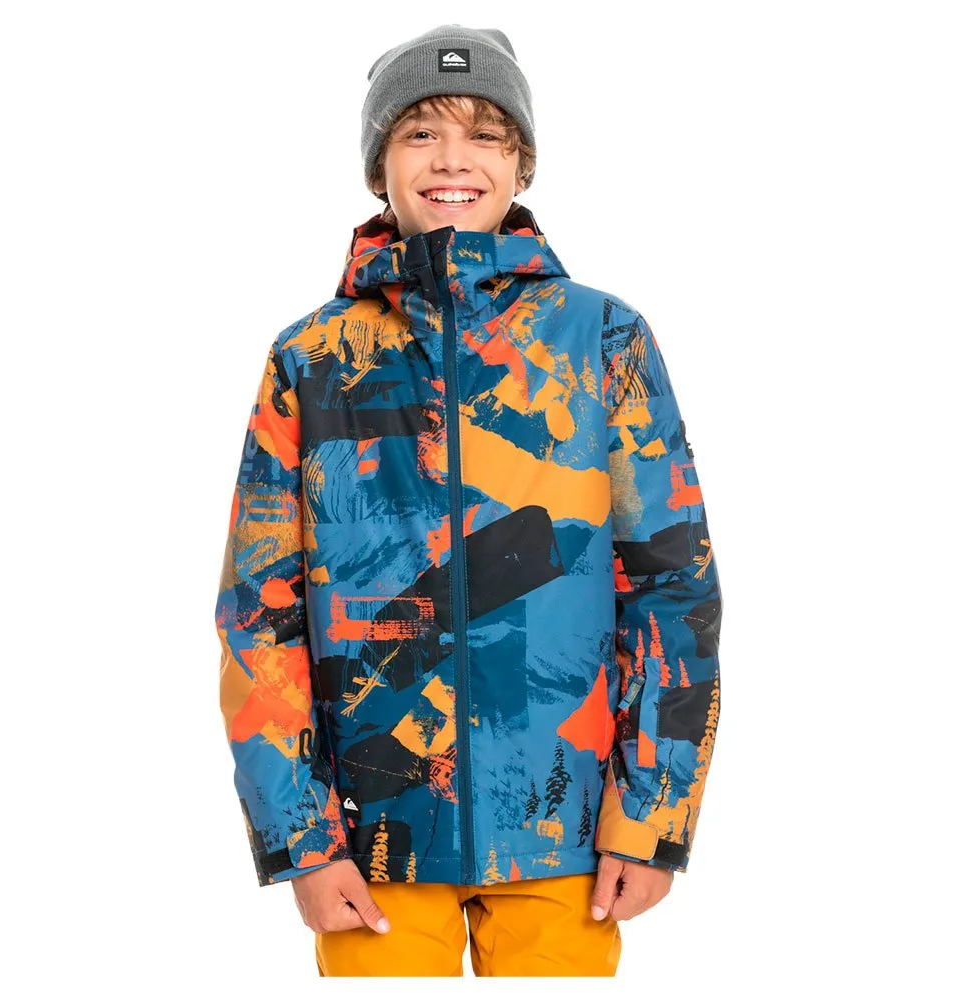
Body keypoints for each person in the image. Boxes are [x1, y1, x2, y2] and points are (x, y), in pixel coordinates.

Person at [214, 23, 723, 977]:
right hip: (374, 839)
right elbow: (259, 614)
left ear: (521, 164)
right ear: (379, 167)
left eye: (485, 134)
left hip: (565, 829)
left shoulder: (603, 338)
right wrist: (303, 841)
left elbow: (672, 587)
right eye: (420, 133)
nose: (453, 159)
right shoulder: (311, 359)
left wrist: (651, 818)